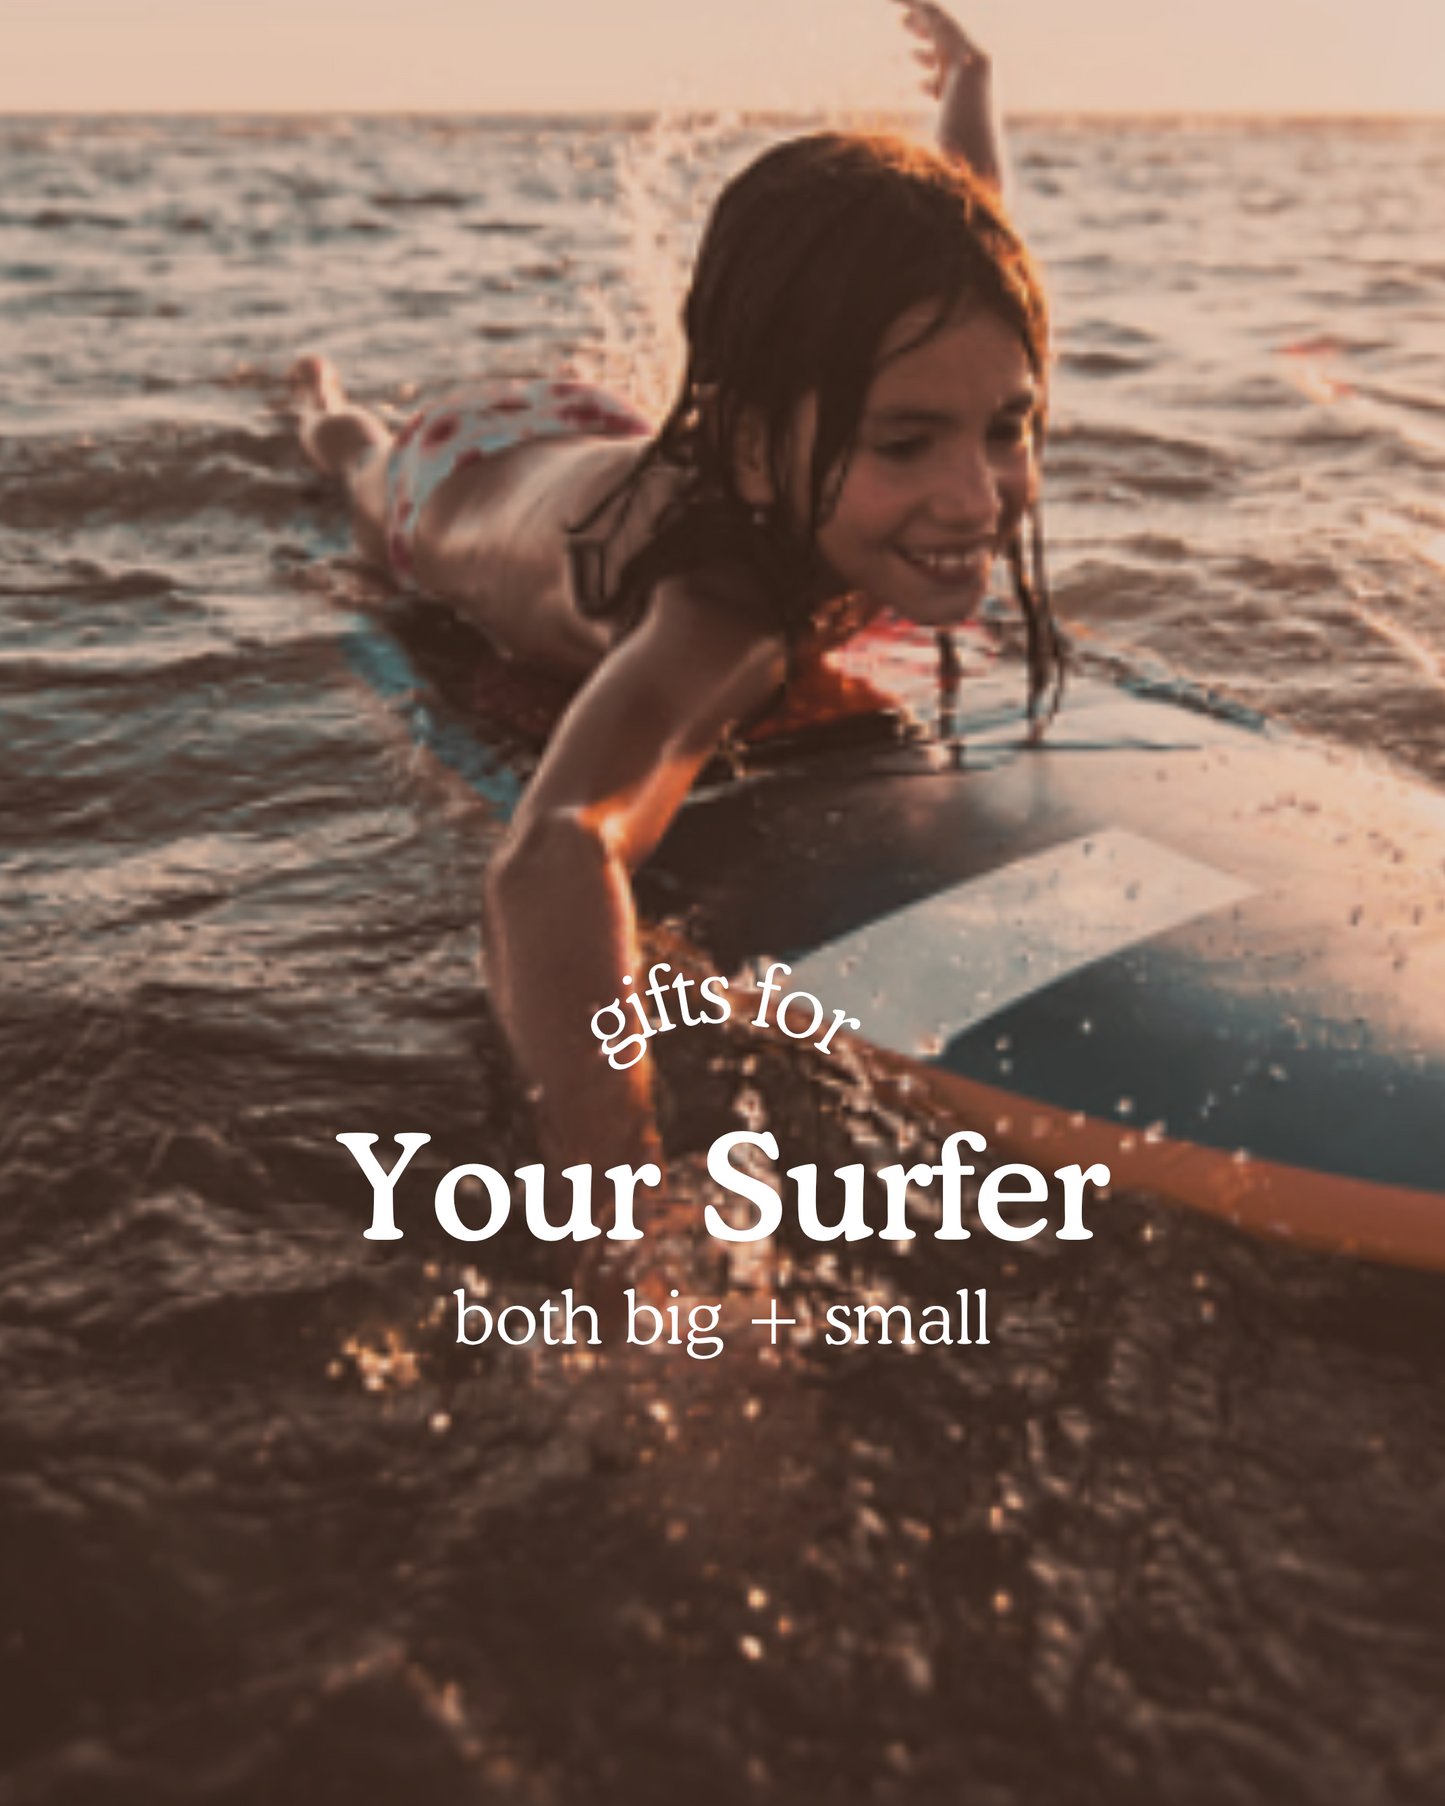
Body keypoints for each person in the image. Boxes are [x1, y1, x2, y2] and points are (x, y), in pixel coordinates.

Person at [291, 1, 1061, 1201]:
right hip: (451, 480)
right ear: (757, 454)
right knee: (354, 459)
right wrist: (626, 1205)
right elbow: (548, 856)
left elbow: (968, 210)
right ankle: (323, 401)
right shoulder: (722, 617)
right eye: (907, 442)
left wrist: (968, 80)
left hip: (596, 442)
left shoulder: (892, 369)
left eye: (1005, 425)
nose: (974, 496)